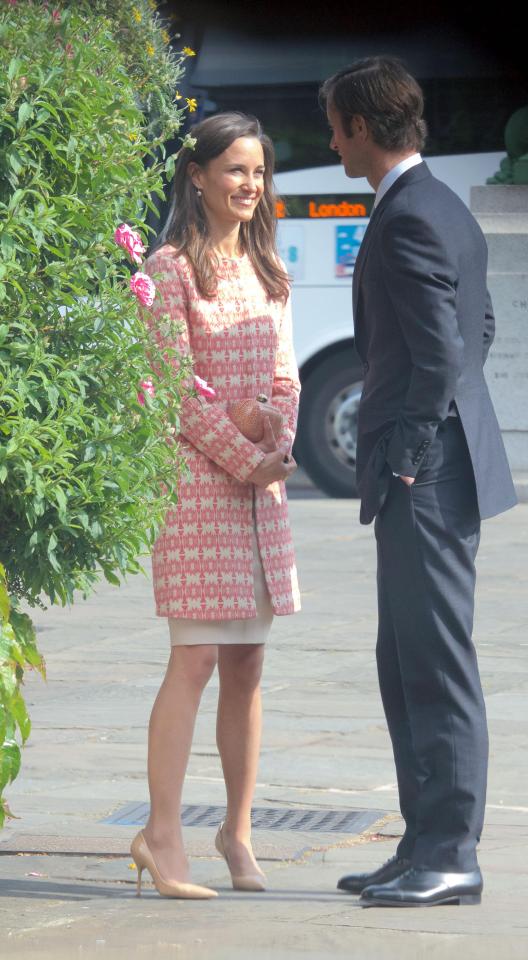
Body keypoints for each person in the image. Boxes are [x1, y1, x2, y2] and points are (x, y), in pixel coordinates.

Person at [320, 58, 517, 908]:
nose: (330, 141)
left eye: (333, 126)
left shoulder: (407, 217)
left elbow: (443, 347)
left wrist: (406, 448)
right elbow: (479, 325)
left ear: (362, 127)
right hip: (443, 462)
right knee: (402, 660)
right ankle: (421, 844)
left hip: (426, 472)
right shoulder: (441, 205)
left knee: (432, 664)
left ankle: (450, 853)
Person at [130, 112, 300, 899]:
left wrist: (275, 431)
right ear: (195, 175)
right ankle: (160, 835)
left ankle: (237, 831)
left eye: (258, 172)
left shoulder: (270, 268)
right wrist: (243, 448)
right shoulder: (168, 270)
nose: (248, 185)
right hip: (197, 490)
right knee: (194, 657)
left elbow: (285, 377)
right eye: (234, 169)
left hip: (259, 492)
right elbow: (172, 394)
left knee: (248, 664)